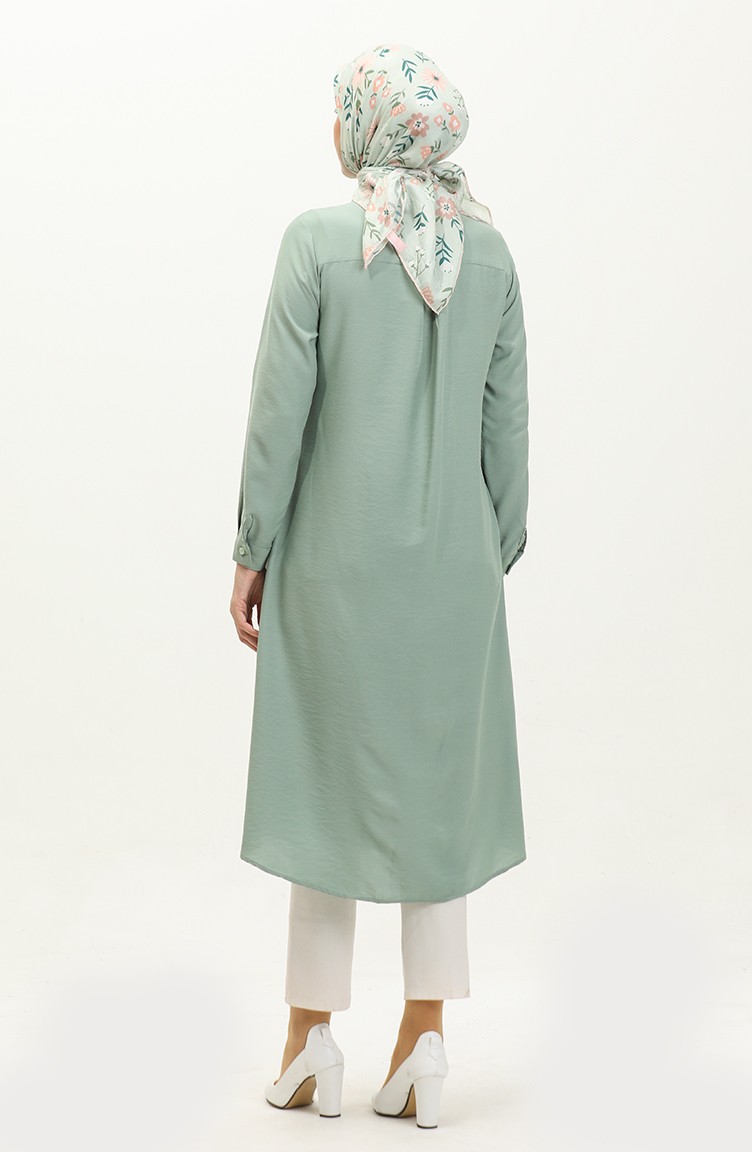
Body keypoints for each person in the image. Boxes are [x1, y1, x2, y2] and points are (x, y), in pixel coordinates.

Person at [229, 42, 530, 1128]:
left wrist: (252, 547)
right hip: (453, 574)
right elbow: (507, 425)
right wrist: (489, 549)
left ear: (368, 128)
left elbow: (280, 410)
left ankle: (309, 1042)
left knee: (324, 788)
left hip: (333, 569)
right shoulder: (488, 254)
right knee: (434, 801)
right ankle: (424, 1042)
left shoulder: (318, 242)